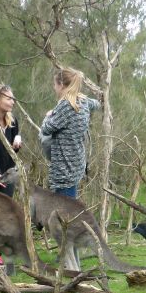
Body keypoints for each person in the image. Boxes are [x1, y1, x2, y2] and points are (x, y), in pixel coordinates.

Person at [40, 67, 101, 198]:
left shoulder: (66, 106)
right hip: (76, 163)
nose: (54, 87)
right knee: (69, 206)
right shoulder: (83, 101)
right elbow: (96, 103)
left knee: (65, 213)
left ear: (61, 85)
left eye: (55, 84)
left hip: (64, 168)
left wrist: (49, 115)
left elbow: (46, 129)